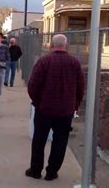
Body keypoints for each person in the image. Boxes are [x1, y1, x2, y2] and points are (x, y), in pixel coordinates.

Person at [25, 34, 85, 181]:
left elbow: (32, 86)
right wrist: (75, 105)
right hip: (65, 111)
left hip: (44, 109)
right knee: (60, 141)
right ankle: (52, 172)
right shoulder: (75, 63)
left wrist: (38, 102)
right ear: (66, 45)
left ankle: (35, 170)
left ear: (52, 45)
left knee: (39, 140)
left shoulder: (44, 61)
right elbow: (81, 88)